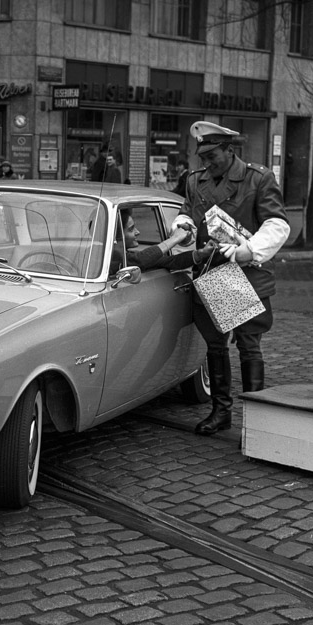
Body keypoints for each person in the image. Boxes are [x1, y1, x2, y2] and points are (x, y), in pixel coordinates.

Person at [172, 121, 290, 436]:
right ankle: (221, 411)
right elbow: (189, 210)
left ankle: (256, 422)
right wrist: (183, 223)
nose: (207, 163)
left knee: (249, 346)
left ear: (229, 149)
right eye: (203, 157)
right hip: (215, 274)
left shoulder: (258, 178)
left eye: (213, 156)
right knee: (216, 346)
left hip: (244, 274)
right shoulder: (197, 181)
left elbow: (277, 224)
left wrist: (249, 250)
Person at [109, 208, 210, 275]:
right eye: (131, 229)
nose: (137, 232)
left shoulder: (123, 256)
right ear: (116, 236)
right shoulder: (112, 259)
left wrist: (200, 253)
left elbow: (171, 261)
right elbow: (140, 259)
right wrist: (175, 238)